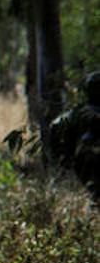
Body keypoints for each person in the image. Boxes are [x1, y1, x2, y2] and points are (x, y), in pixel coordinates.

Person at [48, 70, 100, 201]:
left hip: (83, 164)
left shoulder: (78, 112)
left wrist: (64, 156)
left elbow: (54, 127)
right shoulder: (81, 112)